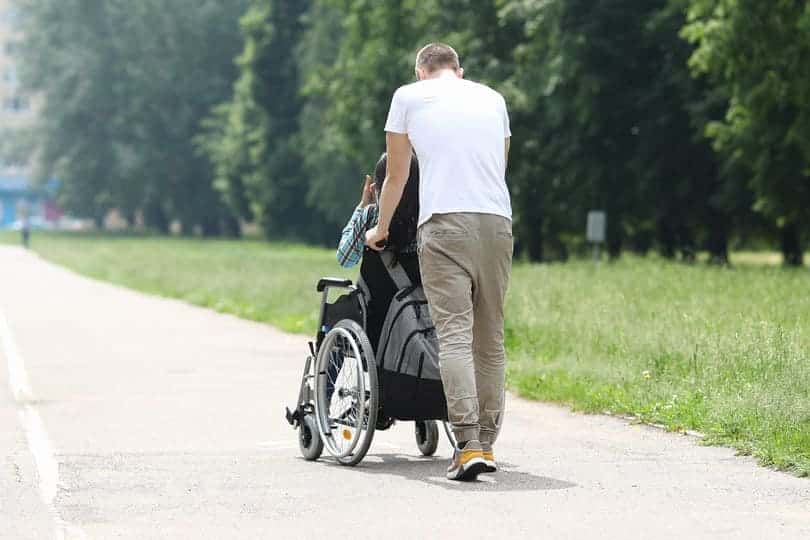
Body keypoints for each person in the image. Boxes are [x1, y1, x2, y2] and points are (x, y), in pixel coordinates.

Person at [366, 43, 513, 481]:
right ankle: (487, 442)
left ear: (419, 71)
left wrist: (380, 228)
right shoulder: (493, 98)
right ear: (460, 71)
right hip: (497, 221)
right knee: (490, 339)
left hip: (445, 223)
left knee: (452, 335)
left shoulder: (407, 97)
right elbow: (498, 166)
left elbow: (397, 174)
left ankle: (467, 445)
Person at [336, 152, 421, 351]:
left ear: (378, 187)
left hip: (372, 327)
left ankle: (327, 381)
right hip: (418, 328)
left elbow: (345, 258)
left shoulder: (371, 216)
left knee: (337, 314)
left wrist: (361, 207)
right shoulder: (428, 221)